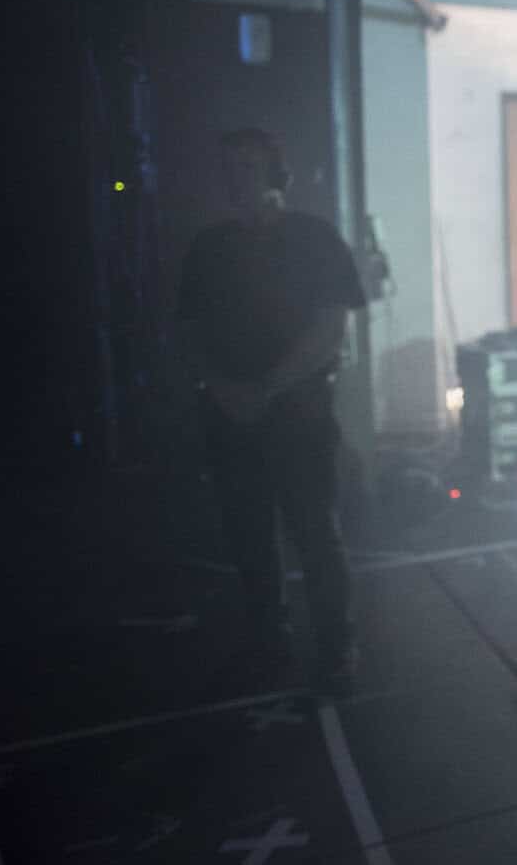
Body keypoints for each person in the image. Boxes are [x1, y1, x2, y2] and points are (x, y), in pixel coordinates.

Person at [177, 128, 366, 694]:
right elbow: (189, 332)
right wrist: (221, 388)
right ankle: (270, 646)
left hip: (298, 414)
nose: (240, 179)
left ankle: (337, 649)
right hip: (230, 415)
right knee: (249, 539)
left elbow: (331, 329)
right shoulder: (208, 248)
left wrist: (265, 389)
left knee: (316, 536)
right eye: (231, 169)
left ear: (277, 174)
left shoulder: (315, 239)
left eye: (250, 167)